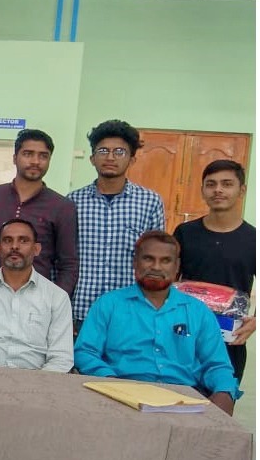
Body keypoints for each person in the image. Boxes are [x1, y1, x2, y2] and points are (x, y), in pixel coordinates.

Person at [74, 231, 240, 415]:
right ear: (135, 263)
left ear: (176, 266)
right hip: (122, 395)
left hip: (184, 400)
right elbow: (85, 352)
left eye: (165, 261)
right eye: (148, 259)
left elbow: (217, 365)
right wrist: (112, 382)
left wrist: (225, 392)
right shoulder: (109, 304)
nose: (156, 267)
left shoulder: (197, 311)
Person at [68, 120, 164, 330]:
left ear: (132, 159)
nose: (110, 157)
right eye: (103, 151)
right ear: (92, 158)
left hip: (132, 312)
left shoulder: (150, 202)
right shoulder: (72, 202)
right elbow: (64, 258)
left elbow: (158, 260)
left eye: (119, 152)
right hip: (82, 311)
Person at [174, 160, 255, 385]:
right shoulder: (185, 233)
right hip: (184, 337)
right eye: (211, 184)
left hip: (229, 341)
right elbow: (170, 281)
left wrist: (255, 321)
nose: (218, 190)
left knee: (221, 407)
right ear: (203, 190)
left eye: (227, 184)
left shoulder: (253, 239)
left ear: (242, 189)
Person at [0, 129, 78, 296]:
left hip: (37, 299)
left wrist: (55, 302)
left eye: (43, 156)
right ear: (15, 158)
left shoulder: (62, 206)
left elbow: (68, 264)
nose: (35, 161)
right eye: (28, 154)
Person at [0, 219, 73, 371]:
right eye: (8, 240)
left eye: (23, 241)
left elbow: (61, 357)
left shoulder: (57, 297)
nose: (14, 246)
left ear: (36, 249)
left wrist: (35, 387)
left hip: (37, 385)